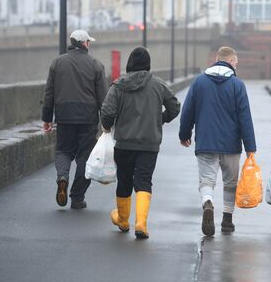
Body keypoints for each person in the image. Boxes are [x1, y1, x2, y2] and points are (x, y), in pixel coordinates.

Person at [100, 47, 180, 239]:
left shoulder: (118, 85)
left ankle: (123, 220)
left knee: (124, 180)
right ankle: (141, 224)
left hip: (124, 144)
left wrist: (107, 126)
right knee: (144, 180)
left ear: (130, 63)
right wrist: (159, 119)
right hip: (149, 144)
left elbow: (107, 111)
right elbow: (175, 107)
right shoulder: (158, 84)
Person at [179, 46, 256, 236]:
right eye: (236, 62)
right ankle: (227, 220)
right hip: (231, 144)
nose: (236, 66)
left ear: (216, 59)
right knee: (230, 183)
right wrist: (250, 147)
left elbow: (188, 110)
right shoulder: (238, 85)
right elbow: (245, 117)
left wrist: (185, 134)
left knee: (207, 180)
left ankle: (208, 202)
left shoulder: (199, 82)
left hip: (206, 141)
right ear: (230, 61)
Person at [42, 29, 107, 209]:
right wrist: (107, 122)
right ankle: (77, 197)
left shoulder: (57, 63)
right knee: (85, 158)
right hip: (88, 117)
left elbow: (49, 93)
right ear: (85, 43)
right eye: (89, 42)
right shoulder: (96, 64)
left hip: (64, 116)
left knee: (63, 151)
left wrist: (47, 118)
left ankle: (62, 176)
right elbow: (103, 97)